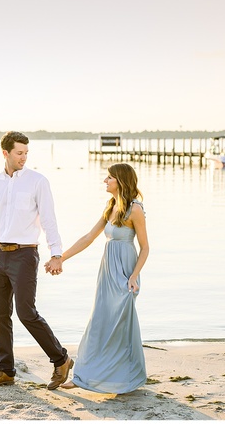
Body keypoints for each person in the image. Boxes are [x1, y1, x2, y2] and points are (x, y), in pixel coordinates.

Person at [0, 131, 73, 390]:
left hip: (24, 254)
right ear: (5, 153)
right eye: (19, 153)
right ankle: (5, 370)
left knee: (26, 313)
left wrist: (56, 253)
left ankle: (61, 359)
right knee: (0, 315)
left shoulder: (37, 181)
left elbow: (49, 219)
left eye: (26, 153)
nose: (24, 158)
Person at [45, 162, 150, 394]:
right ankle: (83, 376)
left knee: (119, 327)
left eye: (109, 178)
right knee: (98, 325)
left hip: (125, 274)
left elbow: (145, 248)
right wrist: (61, 258)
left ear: (120, 181)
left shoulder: (135, 210)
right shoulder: (111, 205)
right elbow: (88, 237)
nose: (105, 181)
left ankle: (125, 378)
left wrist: (134, 276)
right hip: (107, 273)